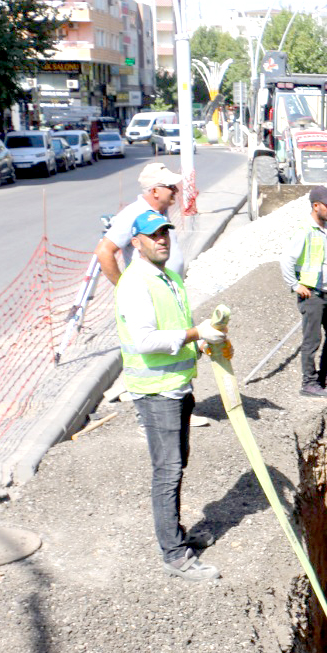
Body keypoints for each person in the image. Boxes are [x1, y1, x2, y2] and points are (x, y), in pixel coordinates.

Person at [114, 211, 228, 582]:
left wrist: (200, 347)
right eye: (153, 235)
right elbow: (146, 341)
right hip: (156, 392)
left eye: (164, 233)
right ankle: (174, 555)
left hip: (177, 386)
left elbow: (175, 331)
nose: (161, 239)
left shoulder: (169, 277)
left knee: (177, 465)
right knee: (167, 471)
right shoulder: (135, 284)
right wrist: (197, 334)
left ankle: (177, 538)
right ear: (137, 243)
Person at [283, 185, 327, 399]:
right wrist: (295, 285)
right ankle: (308, 382)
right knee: (312, 340)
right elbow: (287, 261)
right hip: (312, 294)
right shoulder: (305, 230)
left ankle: (324, 375)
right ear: (315, 206)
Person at [95, 162, 183, 285]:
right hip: (148, 294)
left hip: (168, 290)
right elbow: (103, 251)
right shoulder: (133, 214)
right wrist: (123, 288)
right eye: (170, 186)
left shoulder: (161, 211)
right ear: (155, 191)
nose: (176, 190)